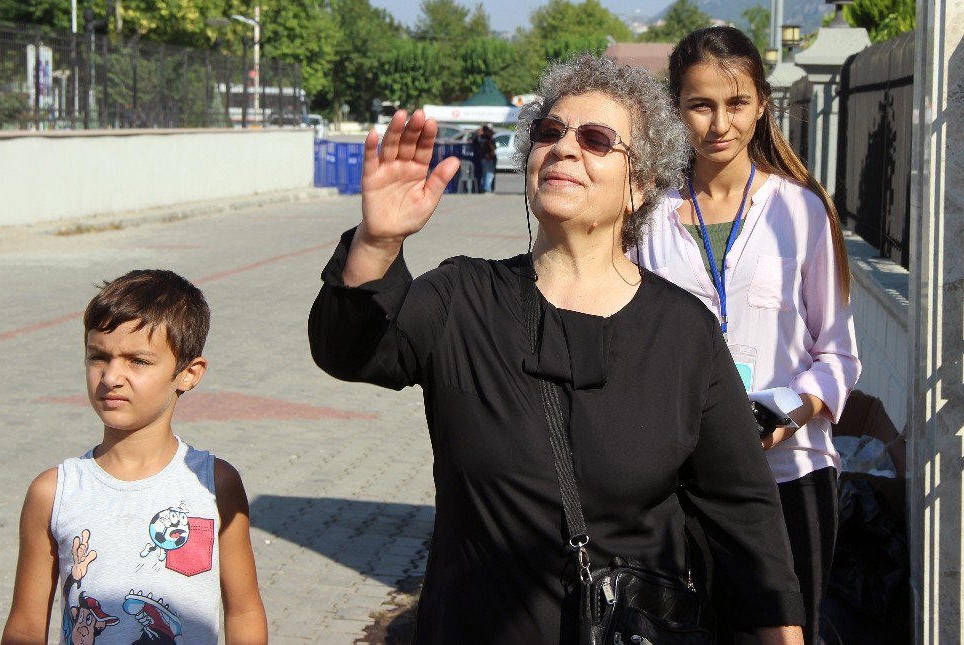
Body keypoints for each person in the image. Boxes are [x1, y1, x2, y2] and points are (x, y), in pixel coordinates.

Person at [309, 52, 804, 644]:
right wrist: (376, 242)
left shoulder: (682, 331)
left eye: (596, 139)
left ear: (638, 187)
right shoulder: (462, 296)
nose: (565, 148)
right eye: (551, 133)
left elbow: (741, 511)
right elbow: (350, 350)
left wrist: (781, 634)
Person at [630, 26, 861, 644]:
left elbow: (838, 354)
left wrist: (787, 412)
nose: (719, 124)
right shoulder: (649, 220)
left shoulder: (801, 210)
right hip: (682, 484)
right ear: (676, 109)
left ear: (762, 104)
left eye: (735, 104)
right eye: (700, 105)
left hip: (791, 475)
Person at [1, 270, 267, 645]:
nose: (111, 377)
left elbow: (244, 610)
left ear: (189, 374)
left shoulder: (215, 484)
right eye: (99, 357)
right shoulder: (54, 492)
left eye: (137, 361)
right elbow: (26, 626)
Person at [480, 123, 498, 193]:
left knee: (484, 173)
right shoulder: (489, 138)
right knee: (489, 174)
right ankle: (487, 188)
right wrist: (491, 154)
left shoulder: (481, 137)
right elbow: (492, 148)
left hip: (483, 157)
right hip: (489, 158)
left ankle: (483, 187)